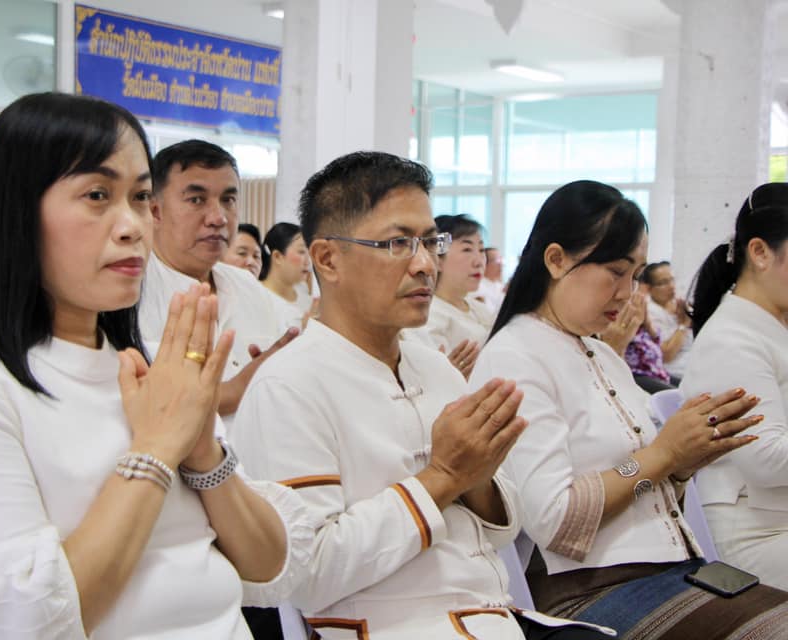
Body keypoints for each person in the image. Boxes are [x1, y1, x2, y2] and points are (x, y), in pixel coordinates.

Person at [0, 93, 309, 639]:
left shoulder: (148, 372)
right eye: (97, 194)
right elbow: (32, 625)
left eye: (139, 197)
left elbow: (270, 567)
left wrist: (201, 450)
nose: (134, 225)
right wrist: (156, 449)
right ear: (18, 212)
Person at [233, 152, 614, 640]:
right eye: (396, 243)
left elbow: (500, 531)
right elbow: (309, 573)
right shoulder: (288, 384)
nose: (423, 264)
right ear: (327, 259)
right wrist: (444, 476)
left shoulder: (434, 365)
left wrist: (477, 475)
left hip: (495, 616)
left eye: (429, 242)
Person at [470, 179, 788, 638]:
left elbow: (647, 486)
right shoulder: (515, 356)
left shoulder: (598, 354)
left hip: (670, 570)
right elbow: (556, 520)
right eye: (616, 272)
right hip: (585, 591)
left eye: (636, 274)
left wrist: (684, 461)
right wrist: (663, 457)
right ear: (556, 260)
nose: (628, 292)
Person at [139, 140, 297, 417]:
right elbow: (155, 397)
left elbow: (291, 354)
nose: (218, 218)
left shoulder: (245, 284)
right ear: (155, 211)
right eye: (196, 200)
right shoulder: (133, 290)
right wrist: (247, 383)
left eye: (228, 200)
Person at [682, 182, 788, 590]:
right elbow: (766, 459)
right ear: (760, 252)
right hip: (755, 536)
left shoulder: (770, 324)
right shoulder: (733, 337)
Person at [409, 214, 493, 379]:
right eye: (467, 249)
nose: (479, 261)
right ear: (437, 259)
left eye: (482, 250)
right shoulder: (429, 316)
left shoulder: (479, 308)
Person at [641, 261, 692, 383]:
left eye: (672, 280)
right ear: (649, 288)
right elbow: (667, 355)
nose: (672, 286)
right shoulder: (650, 312)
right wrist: (683, 325)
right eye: (664, 283)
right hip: (675, 371)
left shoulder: (679, 304)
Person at [259, 222, 312, 329]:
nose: (308, 261)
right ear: (277, 256)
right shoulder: (257, 295)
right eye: (301, 252)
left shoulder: (303, 290)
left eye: (309, 252)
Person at [475, 246, 505, 313]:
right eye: (497, 260)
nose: (501, 264)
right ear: (484, 264)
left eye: (501, 259)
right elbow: (488, 315)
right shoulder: (477, 287)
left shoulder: (500, 286)